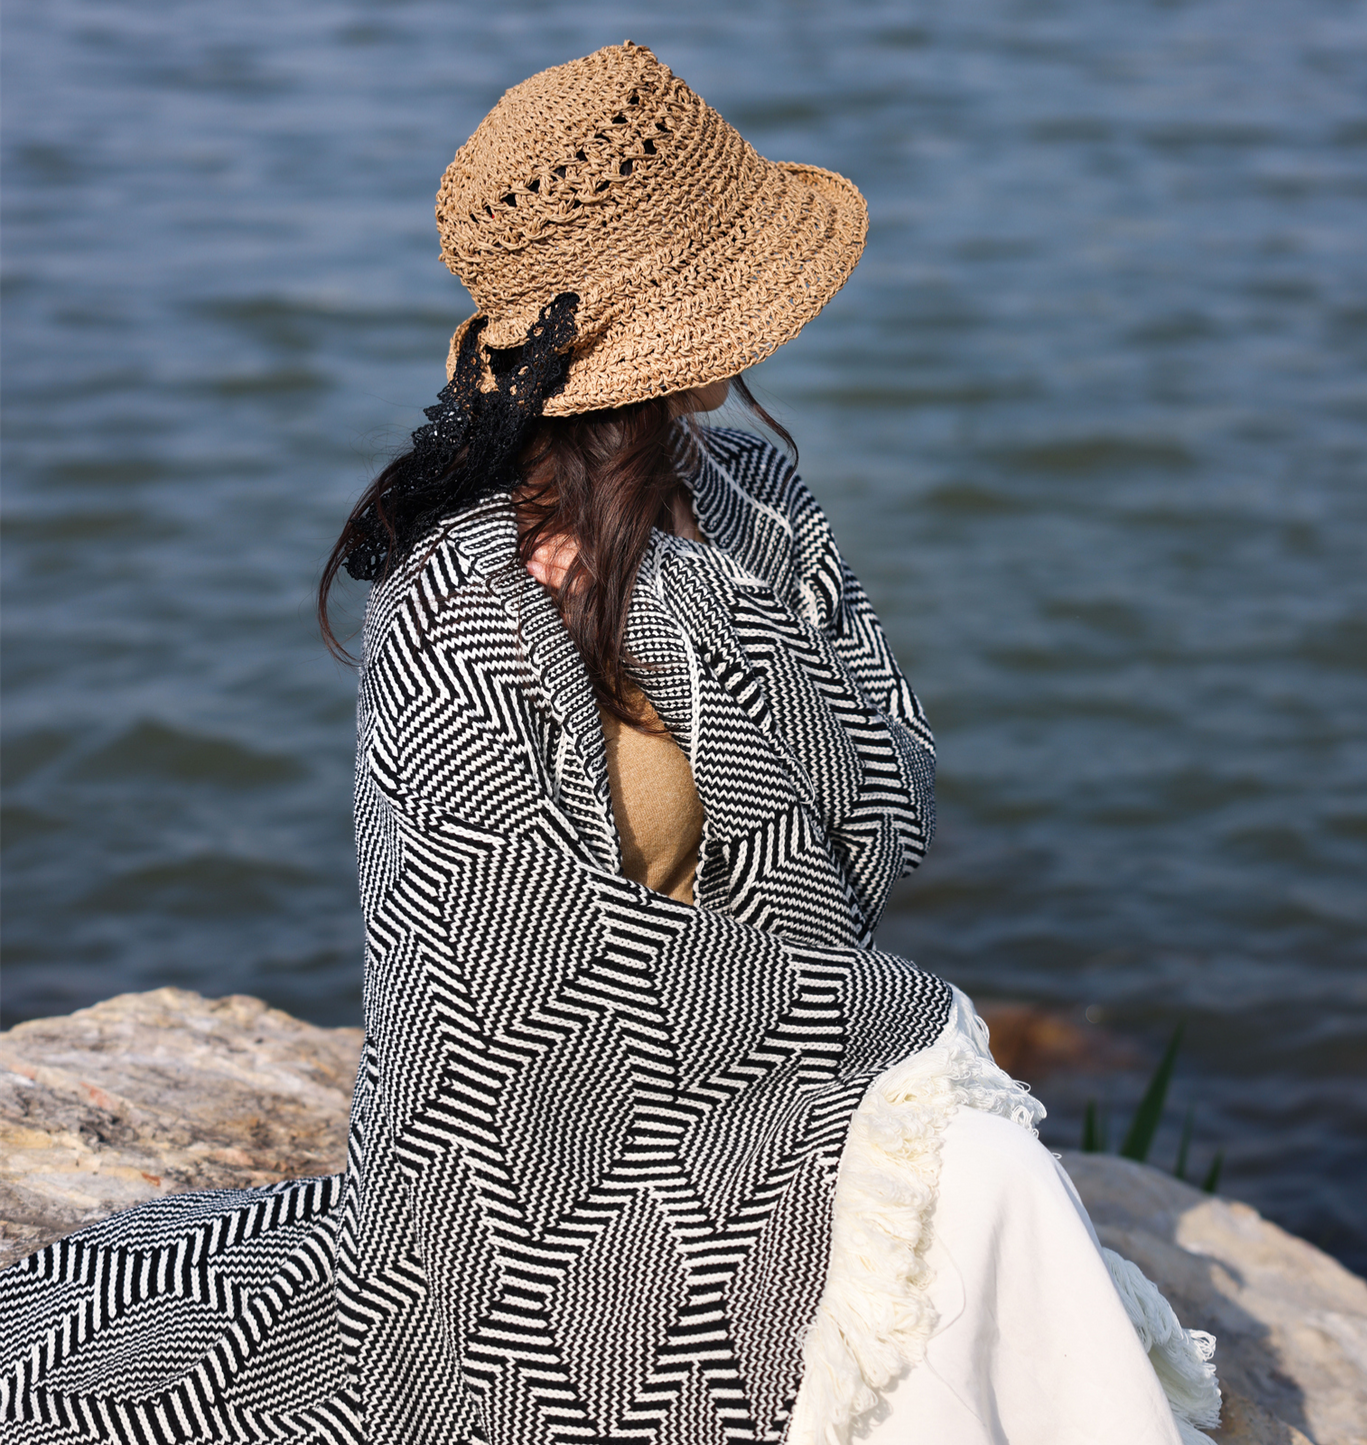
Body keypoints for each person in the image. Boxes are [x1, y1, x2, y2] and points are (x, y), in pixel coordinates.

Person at [0, 42, 1220, 1445]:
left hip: (785, 1084)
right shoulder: (460, 623)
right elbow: (487, 1034)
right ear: (676, 319)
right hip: (555, 1188)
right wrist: (870, 1018)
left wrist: (708, 633)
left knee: (984, 1169)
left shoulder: (755, 494)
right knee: (970, 1163)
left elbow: (889, 819)